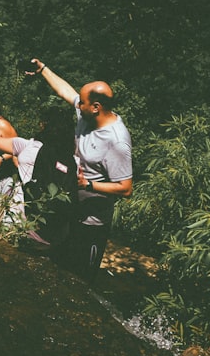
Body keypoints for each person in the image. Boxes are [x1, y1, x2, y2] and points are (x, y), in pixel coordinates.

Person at [26, 59, 133, 281]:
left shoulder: (117, 142)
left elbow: (125, 188)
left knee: (80, 282)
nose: (77, 105)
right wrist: (43, 70)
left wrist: (89, 185)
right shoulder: (87, 115)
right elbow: (66, 91)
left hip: (92, 224)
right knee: (56, 272)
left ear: (96, 107)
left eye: (81, 102)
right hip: (70, 212)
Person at [0, 107, 78, 244]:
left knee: (9, 181)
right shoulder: (72, 160)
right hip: (56, 235)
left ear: (44, 125)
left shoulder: (29, 147)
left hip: (23, 227)